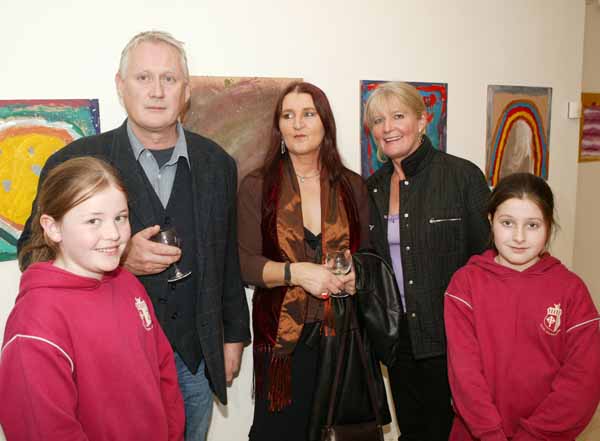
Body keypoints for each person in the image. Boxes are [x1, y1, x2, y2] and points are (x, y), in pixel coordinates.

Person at [17, 31, 250, 440]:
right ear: (121, 87)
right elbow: (31, 254)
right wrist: (120, 258)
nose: (157, 91)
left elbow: (225, 255)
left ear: (187, 90)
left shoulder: (218, 163)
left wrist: (233, 336)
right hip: (110, 366)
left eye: (169, 79)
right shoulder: (74, 159)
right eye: (143, 78)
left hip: (195, 360)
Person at [238, 81, 388, 441]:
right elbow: (244, 263)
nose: (298, 124)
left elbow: (371, 256)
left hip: (342, 339)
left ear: (325, 124)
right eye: (288, 116)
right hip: (282, 346)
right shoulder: (257, 186)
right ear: (279, 128)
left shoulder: (353, 186)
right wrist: (297, 273)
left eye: (308, 114)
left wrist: (356, 276)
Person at [0, 157, 185, 441]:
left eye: (120, 218)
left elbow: (163, 372)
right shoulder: (35, 324)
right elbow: (44, 429)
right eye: (93, 220)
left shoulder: (127, 283)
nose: (113, 234)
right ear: (53, 228)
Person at [363, 81, 491, 441]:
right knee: (413, 432)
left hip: (452, 338)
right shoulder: (372, 187)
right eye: (378, 120)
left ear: (423, 120)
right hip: (399, 341)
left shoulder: (462, 177)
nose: (387, 128)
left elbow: (488, 262)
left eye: (398, 116)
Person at [444, 172, 600, 441]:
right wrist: (491, 434)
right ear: (491, 220)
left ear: (549, 226)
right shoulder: (464, 285)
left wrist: (532, 436)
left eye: (532, 225)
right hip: (476, 435)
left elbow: (583, 382)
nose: (518, 237)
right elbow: (465, 375)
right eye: (507, 223)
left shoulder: (572, 291)